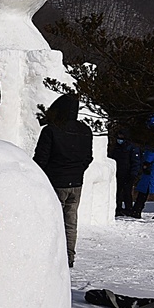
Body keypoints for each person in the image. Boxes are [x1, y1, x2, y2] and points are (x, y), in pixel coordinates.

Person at [33, 93, 93, 267]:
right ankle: (68, 257)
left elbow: (41, 159)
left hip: (55, 182)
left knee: (53, 220)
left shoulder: (51, 130)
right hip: (76, 183)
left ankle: (52, 257)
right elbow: (88, 158)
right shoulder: (85, 130)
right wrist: (76, 171)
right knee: (70, 222)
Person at [109, 130, 143, 217]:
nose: (119, 139)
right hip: (117, 173)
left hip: (128, 173)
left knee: (127, 192)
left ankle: (128, 209)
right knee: (117, 192)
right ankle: (118, 208)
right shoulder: (116, 147)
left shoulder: (132, 148)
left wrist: (133, 173)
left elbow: (136, 162)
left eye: (121, 137)